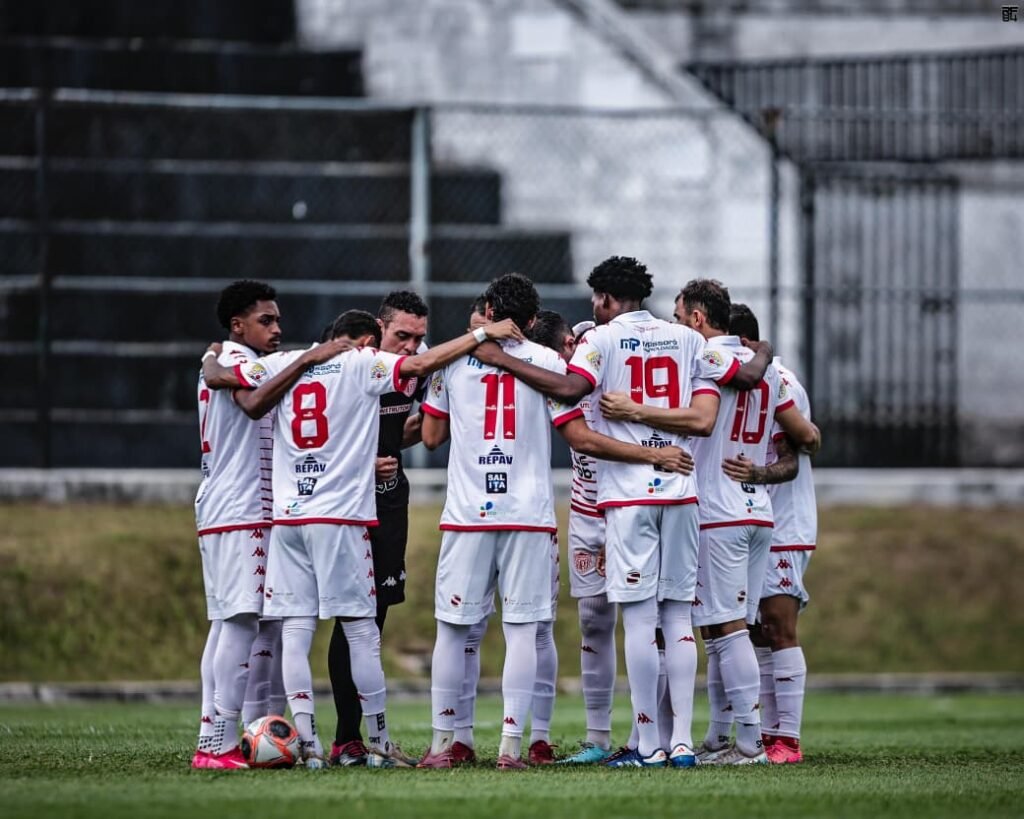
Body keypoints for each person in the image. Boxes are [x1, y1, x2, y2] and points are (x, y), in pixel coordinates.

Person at [202, 308, 525, 768]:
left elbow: (223, 379)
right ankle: (377, 741)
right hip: (341, 519)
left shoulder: (285, 362)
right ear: (365, 340)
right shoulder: (361, 363)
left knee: (296, 631)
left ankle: (309, 746)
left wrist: (211, 354)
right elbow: (415, 366)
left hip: (290, 518)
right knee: (361, 632)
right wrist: (478, 335)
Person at [422, 268, 706, 770]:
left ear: (486, 311)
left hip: (467, 512)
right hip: (531, 513)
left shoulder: (451, 362)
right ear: (531, 320)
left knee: (452, 627)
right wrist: (654, 455)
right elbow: (578, 433)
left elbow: (428, 436)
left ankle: (444, 744)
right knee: (526, 630)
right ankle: (515, 747)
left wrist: (475, 344)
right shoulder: (549, 362)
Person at [602, 284, 818, 766]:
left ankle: (749, 742)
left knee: (729, 628)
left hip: (718, 511)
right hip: (759, 508)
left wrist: (634, 410)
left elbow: (701, 420)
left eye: (680, 316)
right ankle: (727, 736)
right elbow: (807, 436)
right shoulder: (770, 373)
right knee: (728, 628)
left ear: (699, 319)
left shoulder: (705, 359)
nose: (675, 325)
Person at [326, 291, 430, 768]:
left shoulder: (416, 373)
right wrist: (356, 464)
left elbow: (410, 429)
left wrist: (397, 449)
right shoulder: (346, 368)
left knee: (375, 617)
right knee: (344, 621)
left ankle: (365, 739)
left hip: (389, 502)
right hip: (341, 503)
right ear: (378, 332)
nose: (410, 346)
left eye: (419, 338)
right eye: (401, 335)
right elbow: (308, 437)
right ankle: (340, 738)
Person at [192, 280, 283, 770]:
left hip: (223, 507)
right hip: (243, 508)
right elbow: (251, 397)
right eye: (266, 320)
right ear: (237, 325)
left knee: (228, 624)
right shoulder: (239, 364)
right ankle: (215, 746)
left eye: (277, 319)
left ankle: (217, 735)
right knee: (242, 622)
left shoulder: (222, 359)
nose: (276, 328)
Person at [724, 304, 816, 765]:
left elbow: (802, 448)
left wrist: (756, 473)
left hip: (783, 523)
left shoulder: (780, 380)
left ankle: (789, 739)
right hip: (748, 518)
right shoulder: (731, 381)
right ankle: (765, 735)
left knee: (779, 627)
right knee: (754, 631)